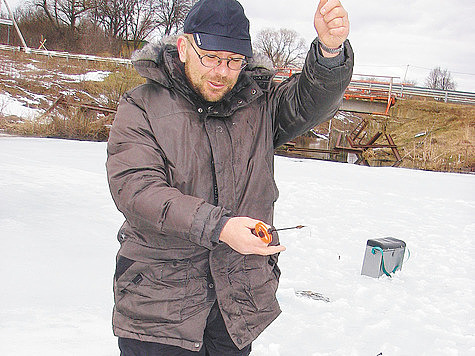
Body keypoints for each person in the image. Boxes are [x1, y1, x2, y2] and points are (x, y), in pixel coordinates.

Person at [106, 0, 353, 354]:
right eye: (211, 57)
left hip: (236, 303)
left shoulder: (260, 104)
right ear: (184, 47)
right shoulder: (141, 106)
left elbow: (309, 101)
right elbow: (137, 190)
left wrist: (330, 52)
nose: (222, 72)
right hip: (159, 307)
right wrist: (220, 227)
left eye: (234, 61)